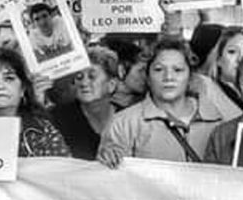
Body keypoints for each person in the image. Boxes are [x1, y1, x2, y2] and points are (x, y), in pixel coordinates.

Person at [98, 38, 230, 167]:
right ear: (147, 77)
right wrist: (108, 158)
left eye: (178, 70)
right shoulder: (124, 124)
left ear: (190, 76)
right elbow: (113, 177)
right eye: (158, 70)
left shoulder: (218, 121)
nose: (168, 77)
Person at [0, 47, 69, 157]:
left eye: (9, 78)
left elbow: (63, 165)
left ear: (22, 89)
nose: (0, 86)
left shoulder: (42, 129)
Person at [52, 47, 120, 160]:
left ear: (111, 84)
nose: (84, 83)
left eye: (92, 76)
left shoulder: (128, 118)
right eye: (79, 77)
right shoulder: (57, 117)